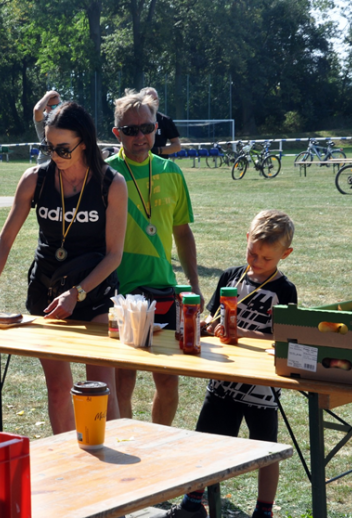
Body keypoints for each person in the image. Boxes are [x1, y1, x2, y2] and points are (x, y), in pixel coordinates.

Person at [0, 102, 127, 434]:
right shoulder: (35, 179)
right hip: (48, 289)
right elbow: (5, 238)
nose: (54, 155)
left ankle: (114, 476)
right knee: (59, 389)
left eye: (62, 148)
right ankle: (67, 465)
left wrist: (78, 292)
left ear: (84, 142)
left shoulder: (110, 184)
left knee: (100, 390)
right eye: (48, 146)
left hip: (95, 291)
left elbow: (114, 255)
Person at [155, 210, 297, 518]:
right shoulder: (231, 276)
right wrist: (207, 326)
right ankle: (193, 501)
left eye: (266, 258)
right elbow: (213, 315)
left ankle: (264, 510)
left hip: (261, 388)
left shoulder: (284, 291)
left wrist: (241, 333)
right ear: (247, 239)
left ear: (285, 254)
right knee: (205, 443)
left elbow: (283, 339)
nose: (256, 261)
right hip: (222, 382)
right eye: (252, 253)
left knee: (266, 451)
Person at [107, 89, 202, 426]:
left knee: (168, 379)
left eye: (146, 128)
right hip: (120, 292)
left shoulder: (171, 172)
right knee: (123, 380)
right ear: (117, 133)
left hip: (163, 287)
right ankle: (128, 440)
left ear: (156, 127)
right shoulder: (105, 174)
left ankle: (159, 441)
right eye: (131, 130)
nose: (140, 136)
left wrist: (193, 284)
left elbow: (182, 232)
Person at [141, 87, 181, 158]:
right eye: (151, 99)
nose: (155, 102)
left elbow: (177, 146)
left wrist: (157, 150)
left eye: (156, 99)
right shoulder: (135, 119)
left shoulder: (165, 120)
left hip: (160, 164)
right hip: (138, 163)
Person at [33, 90, 62, 165]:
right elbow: (37, 110)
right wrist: (48, 95)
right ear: (46, 106)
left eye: (60, 104)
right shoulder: (43, 117)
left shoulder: (64, 116)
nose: (58, 108)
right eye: (54, 106)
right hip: (46, 160)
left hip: (63, 158)